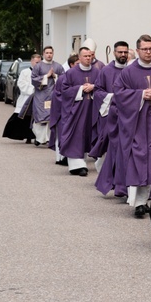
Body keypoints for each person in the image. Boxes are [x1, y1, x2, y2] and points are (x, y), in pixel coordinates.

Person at [114, 35, 151, 217]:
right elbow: (119, 94)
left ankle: (148, 199)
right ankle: (137, 202)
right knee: (138, 157)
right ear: (137, 51)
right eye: (145, 49)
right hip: (136, 123)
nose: (148, 52)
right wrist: (141, 94)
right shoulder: (128, 72)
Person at [92, 41, 130, 196]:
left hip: (130, 117)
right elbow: (98, 90)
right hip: (111, 116)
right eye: (120, 52)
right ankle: (110, 179)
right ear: (114, 53)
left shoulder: (131, 70)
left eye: (125, 52)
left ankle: (123, 183)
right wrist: (113, 97)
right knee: (111, 149)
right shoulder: (106, 71)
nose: (123, 55)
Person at [58, 47, 101, 177]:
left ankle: (96, 161)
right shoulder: (71, 73)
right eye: (85, 56)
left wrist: (94, 87)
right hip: (76, 110)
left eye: (90, 56)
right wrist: (81, 88)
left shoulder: (97, 72)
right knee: (76, 135)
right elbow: (64, 90)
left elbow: (102, 86)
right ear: (80, 58)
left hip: (93, 108)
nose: (88, 58)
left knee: (92, 133)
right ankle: (77, 165)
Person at [2, 54, 41, 143]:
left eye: (39, 62)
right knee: (25, 118)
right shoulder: (25, 72)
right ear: (32, 62)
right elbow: (21, 84)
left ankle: (37, 137)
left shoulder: (43, 72)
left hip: (39, 99)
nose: (38, 64)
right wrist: (34, 90)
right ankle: (27, 136)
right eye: (36, 62)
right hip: (27, 98)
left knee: (37, 119)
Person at [31, 46, 64, 146]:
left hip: (54, 96)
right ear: (43, 54)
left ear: (53, 54)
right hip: (41, 96)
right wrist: (46, 76)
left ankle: (50, 138)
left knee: (51, 118)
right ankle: (39, 138)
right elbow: (33, 79)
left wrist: (55, 76)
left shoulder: (58, 66)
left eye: (51, 53)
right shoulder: (38, 66)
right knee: (41, 118)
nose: (49, 55)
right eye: (47, 53)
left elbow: (64, 79)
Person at [49, 54, 79, 166]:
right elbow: (57, 96)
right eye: (77, 64)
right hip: (64, 112)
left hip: (79, 111)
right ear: (71, 65)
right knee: (62, 134)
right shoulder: (63, 78)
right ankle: (60, 157)